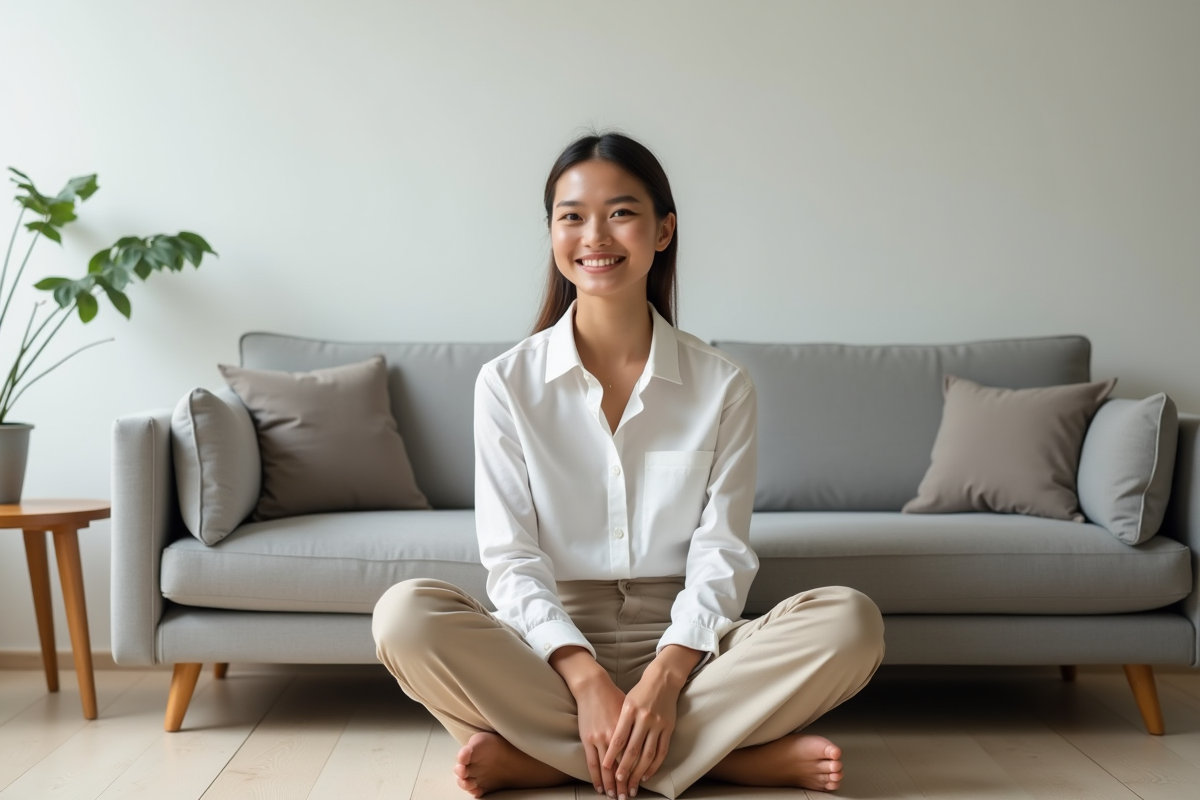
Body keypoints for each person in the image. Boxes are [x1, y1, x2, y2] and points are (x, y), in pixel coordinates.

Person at [372, 131, 885, 799]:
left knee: (851, 624)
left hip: (686, 642)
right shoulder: (506, 384)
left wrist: (667, 678)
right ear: (552, 233)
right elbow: (512, 559)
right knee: (403, 618)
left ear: (663, 230)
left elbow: (721, 554)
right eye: (571, 215)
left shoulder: (722, 385)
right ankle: (722, 757)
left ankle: (552, 760)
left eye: (620, 212)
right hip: (548, 642)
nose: (595, 235)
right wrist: (584, 679)